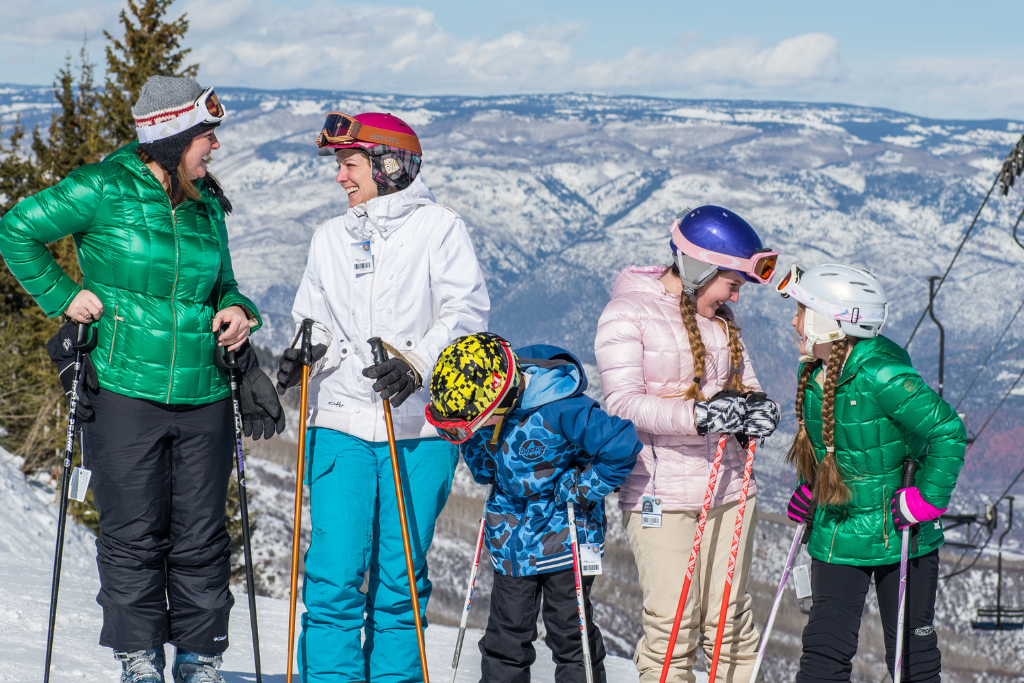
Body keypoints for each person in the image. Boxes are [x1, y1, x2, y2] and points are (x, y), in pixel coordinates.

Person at [0, 75, 285, 683]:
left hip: (205, 394)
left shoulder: (207, 202)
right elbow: (16, 230)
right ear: (172, 137)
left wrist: (240, 311)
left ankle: (201, 657)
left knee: (204, 537)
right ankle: (140, 659)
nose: (214, 147)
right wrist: (63, 297)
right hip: (123, 390)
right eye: (205, 136)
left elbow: (224, 283)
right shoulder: (102, 188)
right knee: (132, 535)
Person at [275, 111, 489, 682]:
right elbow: (312, 318)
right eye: (340, 166)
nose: (340, 177)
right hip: (340, 421)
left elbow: (465, 315)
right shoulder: (330, 237)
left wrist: (417, 363)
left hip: (418, 428)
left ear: (389, 165)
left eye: (350, 164)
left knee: (400, 581)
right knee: (333, 577)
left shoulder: (440, 228)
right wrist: (304, 351)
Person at [594, 206, 782, 683]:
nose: (736, 294)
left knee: (732, 626)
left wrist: (757, 409)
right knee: (673, 628)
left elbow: (748, 384)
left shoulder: (721, 323)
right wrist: (699, 416)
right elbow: (622, 403)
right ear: (699, 267)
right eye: (732, 282)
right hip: (661, 494)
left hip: (730, 489)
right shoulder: (627, 313)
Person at [777, 263, 965, 683]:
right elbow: (829, 445)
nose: (794, 320)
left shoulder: (883, 375)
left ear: (830, 322)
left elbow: (948, 431)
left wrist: (926, 500)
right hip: (839, 533)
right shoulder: (812, 374)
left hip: (901, 534)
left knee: (912, 659)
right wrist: (810, 487)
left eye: (803, 310)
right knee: (823, 655)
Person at [425, 332, 642, 683]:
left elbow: (622, 444)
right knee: (505, 636)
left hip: (565, 536)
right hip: (513, 541)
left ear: (503, 397)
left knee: (570, 634)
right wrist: (475, 445)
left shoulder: (562, 407)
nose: (477, 428)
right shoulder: (484, 409)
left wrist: (583, 488)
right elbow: (484, 469)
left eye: (480, 421)